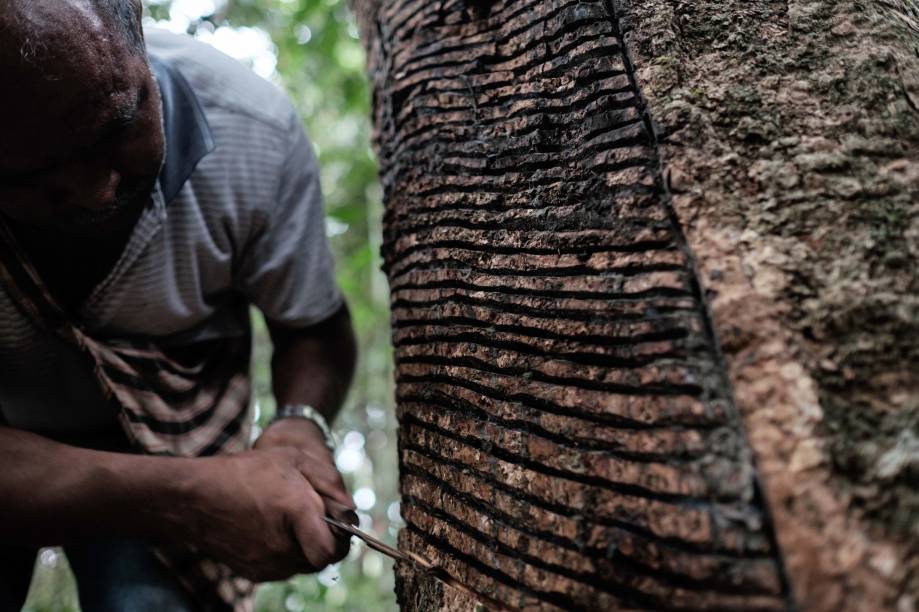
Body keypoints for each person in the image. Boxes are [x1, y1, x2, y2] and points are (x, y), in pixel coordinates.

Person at [0, 0, 358, 610]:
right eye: (37, 175)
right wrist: (188, 496)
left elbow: (314, 329)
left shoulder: (254, 135)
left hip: (181, 438)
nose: (94, 192)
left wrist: (300, 421)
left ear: (137, 21)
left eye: (116, 124)